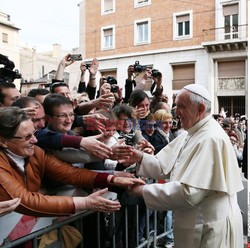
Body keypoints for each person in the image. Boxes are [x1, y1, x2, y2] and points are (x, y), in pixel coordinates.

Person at [124, 84, 243, 247]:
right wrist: (140, 157)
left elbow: (189, 192)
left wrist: (143, 191)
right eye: (175, 105)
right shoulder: (192, 131)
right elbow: (163, 164)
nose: (175, 111)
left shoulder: (211, 138)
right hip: (196, 221)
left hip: (210, 226)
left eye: (181, 106)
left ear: (200, 109)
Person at [0, 107, 145, 217]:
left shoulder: (36, 153)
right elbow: (25, 200)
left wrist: (113, 179)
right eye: (27, 137)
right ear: (3, 141)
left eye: (34, 133)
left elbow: (71, 173)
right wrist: (85, 203)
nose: (35, 140)